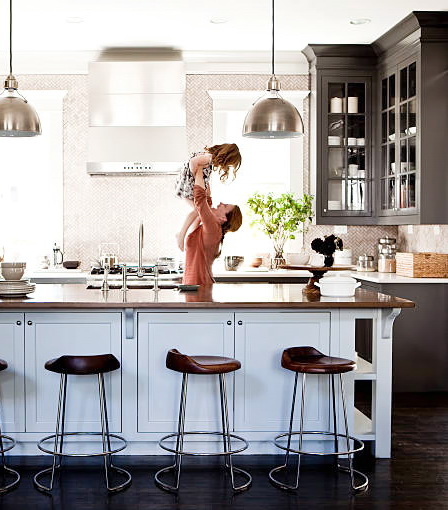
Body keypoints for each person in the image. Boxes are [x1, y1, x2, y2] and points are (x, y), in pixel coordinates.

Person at [182, 164, 242, 286]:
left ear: (223, 218)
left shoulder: (213, 228)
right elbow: (203, 206)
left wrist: (198, 168)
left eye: (224, 206)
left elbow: (200, 200)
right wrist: (204, 175)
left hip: (199, 290)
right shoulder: (211, 228)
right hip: (196, 289)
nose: (220, 203)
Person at [175, 143, 241, 251]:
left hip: (187, 183)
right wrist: (196, 176)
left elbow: (203, 173)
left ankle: (189, 238)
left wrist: (204, 185)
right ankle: (181, 234)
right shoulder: (209, 158)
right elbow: (193, 162)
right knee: (198, 211)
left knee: (199, 213)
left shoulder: (210, 159)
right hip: (187, 184)